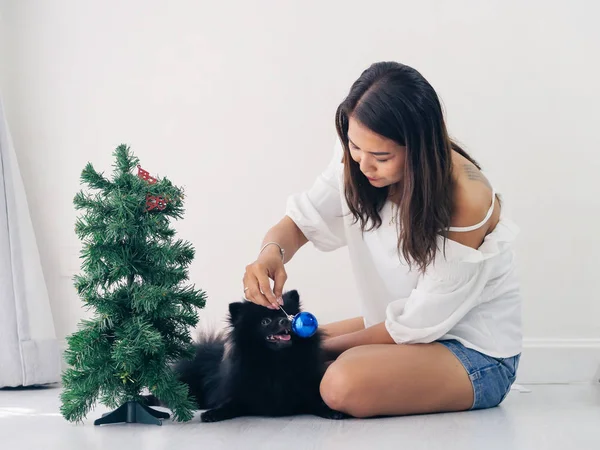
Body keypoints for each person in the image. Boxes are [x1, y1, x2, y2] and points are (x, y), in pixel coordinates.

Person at [242, 61, 521, 418]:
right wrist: (270, 255)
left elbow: (419, 322)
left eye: (381, 157)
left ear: (418, 147)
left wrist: (313, 348)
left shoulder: (467, 197)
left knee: (341, 382)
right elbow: (300, 221)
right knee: (259, 346)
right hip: (402, 326)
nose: (363, 165)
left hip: (472, 351)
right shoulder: (359, 153)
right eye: (355, 148)